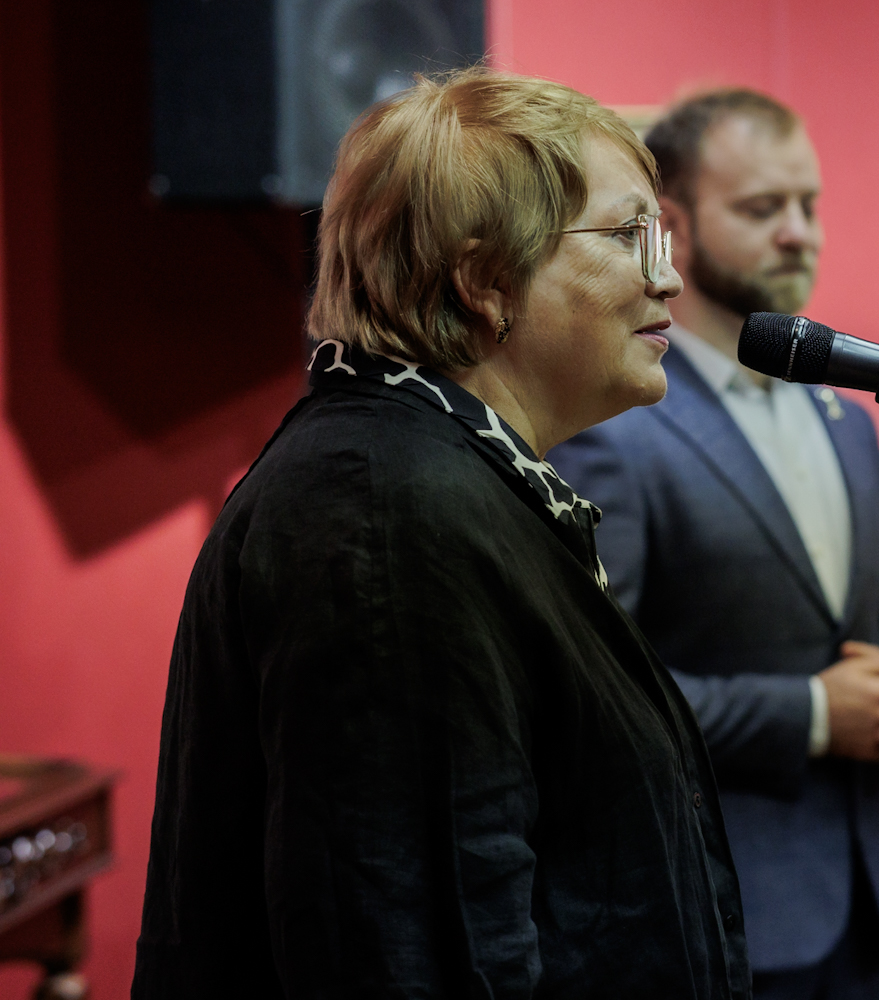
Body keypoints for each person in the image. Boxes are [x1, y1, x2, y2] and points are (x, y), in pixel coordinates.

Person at [132, 69, 750, 999]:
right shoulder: (385, 511)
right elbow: (414, 940)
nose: (666, 274)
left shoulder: (435, 477)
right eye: (629, 235)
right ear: (485, 281)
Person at [549, 89, 879, 1000]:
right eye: (763, 209)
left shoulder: (848, 419)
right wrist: (813, 714)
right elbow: (602, 693)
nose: (799, 233)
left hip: (865, 906)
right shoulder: (617, 429)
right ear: (675, 227)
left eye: (809, 204)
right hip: (721, 915)